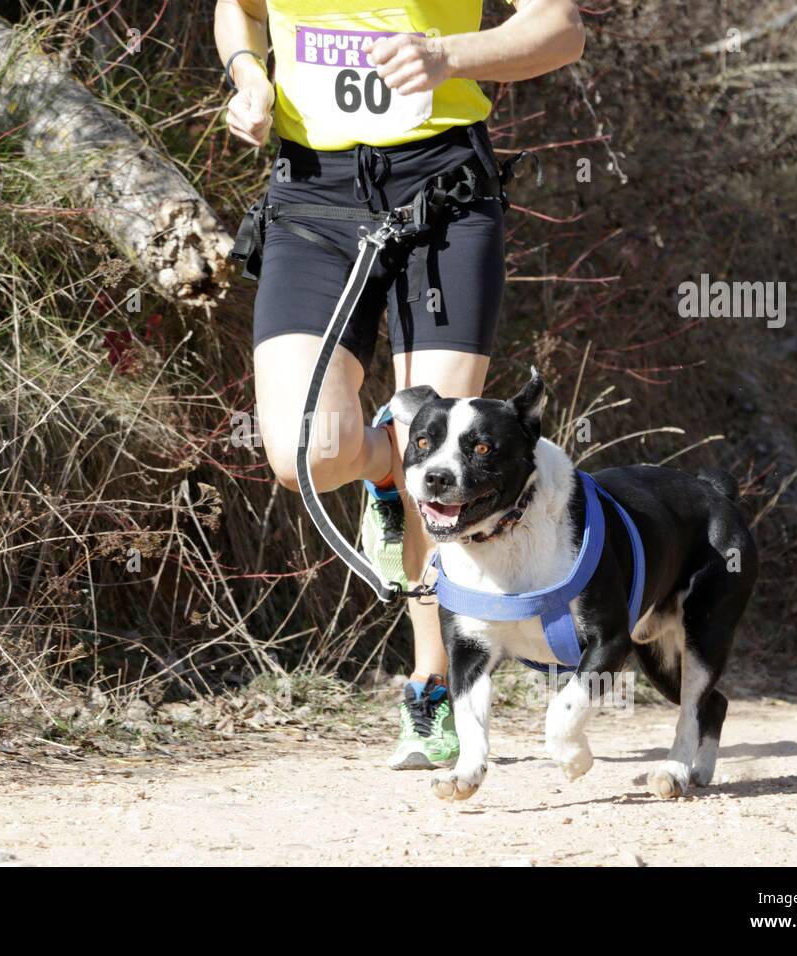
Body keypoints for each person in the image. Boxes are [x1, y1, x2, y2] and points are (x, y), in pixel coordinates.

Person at [214, 0, 585, 769]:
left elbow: (561, 27)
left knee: (443, 470)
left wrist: (450, 57)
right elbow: (238, 10)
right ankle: (388, 470)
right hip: (312, 189)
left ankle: (432, 683)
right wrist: (249, 78)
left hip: (444, 192)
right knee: (305, 456)